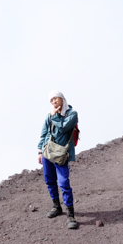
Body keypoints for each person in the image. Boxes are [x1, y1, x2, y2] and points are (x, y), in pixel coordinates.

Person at [37, 90, 79, 230]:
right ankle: (56, 206)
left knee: (64, 183)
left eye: (56, 98)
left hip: (61, 154)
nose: (54, 101)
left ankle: (70, 214)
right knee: (49, 180)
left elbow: (63, 127)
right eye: (52, 100)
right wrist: (39, 151)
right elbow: (44, 133)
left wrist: (54, 117)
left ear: (62, 99)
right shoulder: (49, 116)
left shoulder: (72, 114)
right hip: (48, 152)